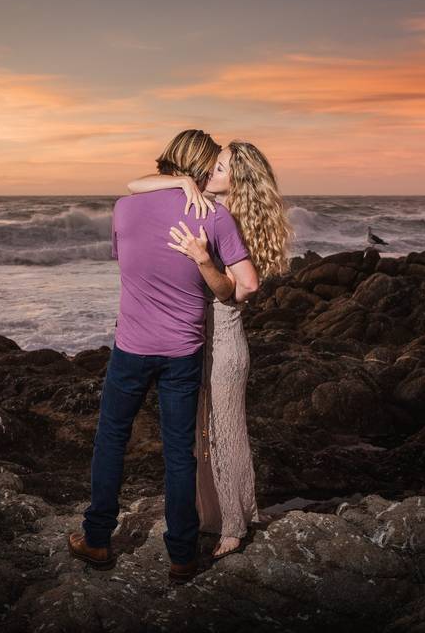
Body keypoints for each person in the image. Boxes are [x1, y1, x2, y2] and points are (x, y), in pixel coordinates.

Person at [67, 129, 259, 585]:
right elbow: (240, 288)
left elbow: (126, 259)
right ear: (199, 167)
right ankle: (182, 556)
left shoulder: (123, 208)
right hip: (184, 351)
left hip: (132, 347)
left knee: (111, 438)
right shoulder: (216, 217)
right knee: (179, 453)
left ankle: (97, 538)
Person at [126, 140, 293, 561]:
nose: (208, 173)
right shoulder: (208, 207)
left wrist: (202, 260)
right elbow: (133, 184)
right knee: (206, 432)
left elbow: (244, 289)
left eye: (218, 168)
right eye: (210, 167)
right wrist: (181, 180)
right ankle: (220, 513)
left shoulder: (227, 218)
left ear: (239, 178)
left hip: (224, 342)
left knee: (228, 433)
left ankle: (234, 528)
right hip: (199, 338)